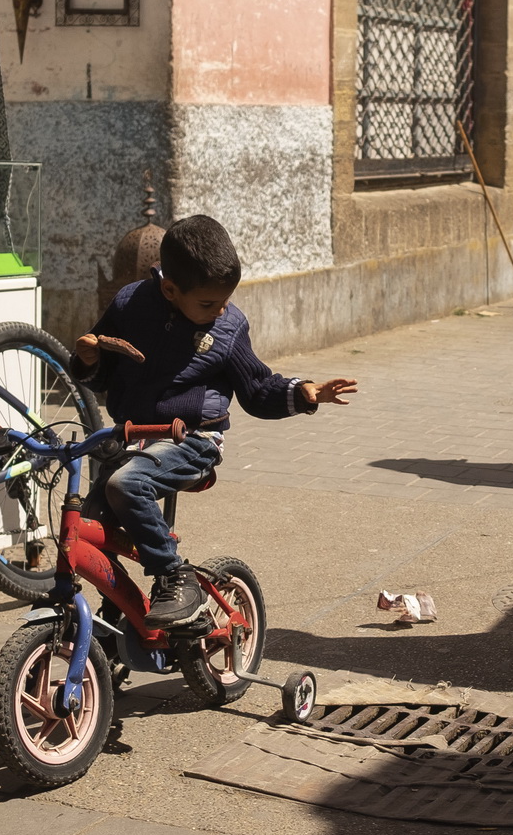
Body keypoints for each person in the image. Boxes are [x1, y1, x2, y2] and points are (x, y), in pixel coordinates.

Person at [70, 215, 358, 627]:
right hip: (131, 437)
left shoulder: (227, 326)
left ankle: (175, 577)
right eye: (208, 303)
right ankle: (120, 613)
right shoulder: (130, 304)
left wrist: (303, 392)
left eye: (225, 300)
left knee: (125, 485)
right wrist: (87, 359)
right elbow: (101, 373)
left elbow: (257, 389)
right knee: (90, 527)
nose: (221, 310)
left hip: (193, 439)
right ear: (170, 288)